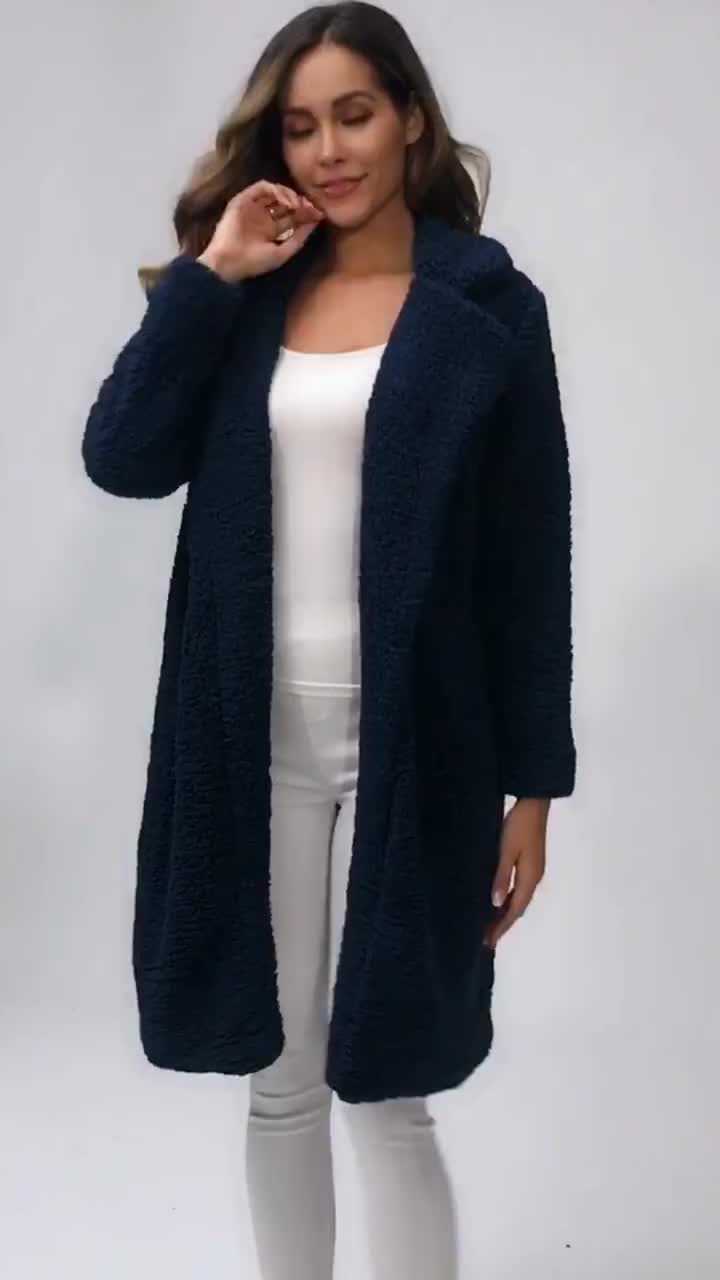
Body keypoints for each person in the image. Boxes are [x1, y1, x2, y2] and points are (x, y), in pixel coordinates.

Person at [81, 4, 577, 1278]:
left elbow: (531, 558)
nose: (327, 150)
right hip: (252, 743)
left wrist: (535, 786)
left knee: (388, 1084)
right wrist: (213, 273)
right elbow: (122, 455)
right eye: (301, 127)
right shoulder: (248, 301)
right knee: (282, 1077)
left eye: (354, 114)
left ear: (410, 116)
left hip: (424, 745)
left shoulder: (487, 307)